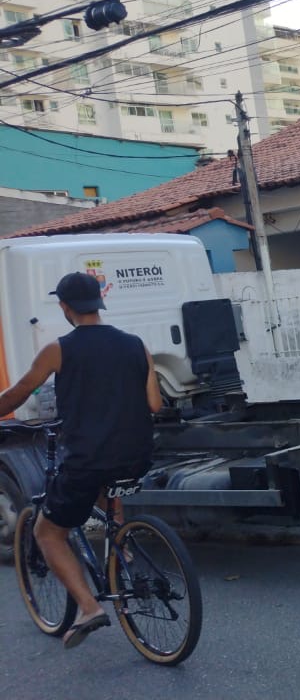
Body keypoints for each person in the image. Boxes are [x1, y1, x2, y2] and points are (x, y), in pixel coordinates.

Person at [0, 271, 162, 649]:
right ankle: (120, 548)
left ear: (65, 306)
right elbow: (154, 404)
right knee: (110, 488)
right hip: (137, 456)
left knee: (47, 532)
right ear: (99, 302)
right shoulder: (136, 345)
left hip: (87, 460)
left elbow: (20, 392)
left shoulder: (59, 349)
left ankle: (89, 608)